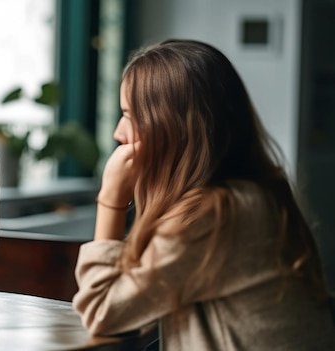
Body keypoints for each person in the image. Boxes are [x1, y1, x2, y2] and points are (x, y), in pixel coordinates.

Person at [73, 39, 335, 350]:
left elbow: (104, 311)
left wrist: (111, 198)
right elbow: (136, 302)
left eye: (130, 115)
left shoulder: (217, 215)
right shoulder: (255, 197)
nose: (119, 132)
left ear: (171, 126)